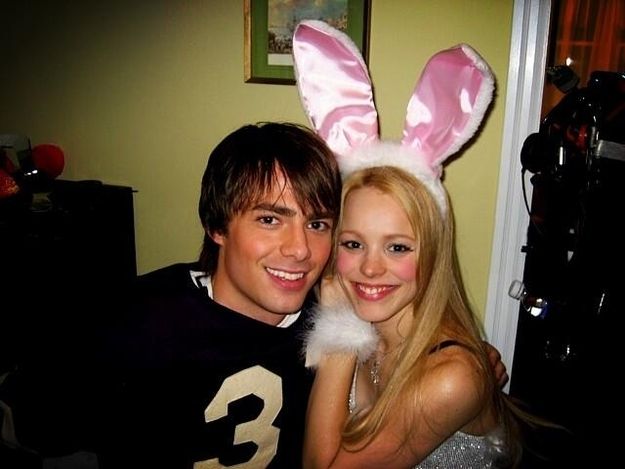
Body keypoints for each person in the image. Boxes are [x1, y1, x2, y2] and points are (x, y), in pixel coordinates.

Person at [0, 120, 507, 468]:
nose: (300, 250)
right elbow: (34, 425)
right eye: (270, 219)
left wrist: (471, 372)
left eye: (318, 223)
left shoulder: (338, 310)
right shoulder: (135, 322)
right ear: (218, 225)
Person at [291, 20, 528, 468]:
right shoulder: (373, 329)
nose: (369, 268)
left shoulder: (451, 377)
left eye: (398, 247)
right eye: (353, 243)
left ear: (433, 253)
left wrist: (338, 328)